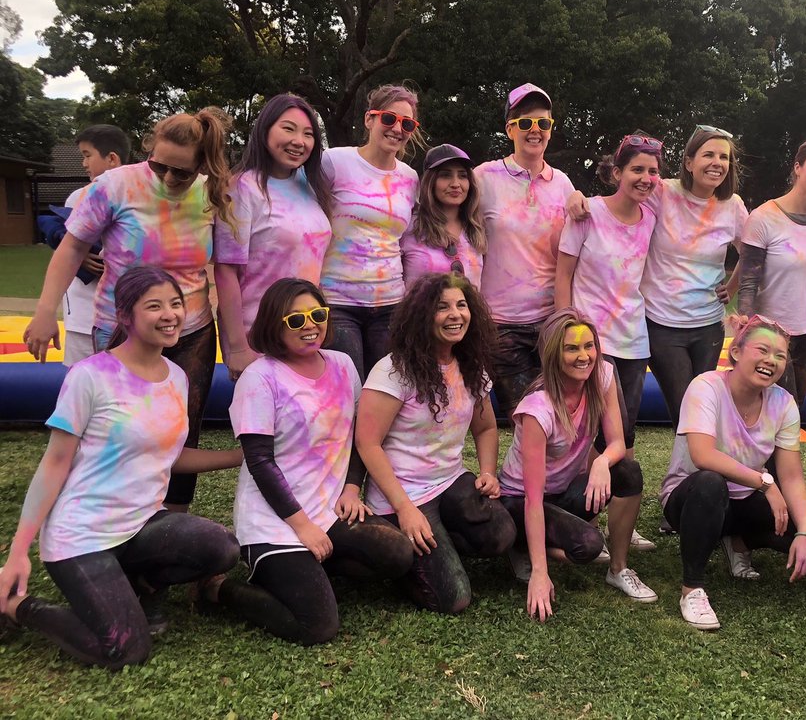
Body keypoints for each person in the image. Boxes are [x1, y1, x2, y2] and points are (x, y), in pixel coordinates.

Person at [0, 267, 240, 668]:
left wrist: (239, 458)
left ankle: (138, 582)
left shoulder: (177, 378)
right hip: (82, 535)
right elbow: (54, 464)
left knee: (222, 548)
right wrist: (19, 551)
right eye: (154, 306)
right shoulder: (90, 376)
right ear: (125, 316)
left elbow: (171, 456)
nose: (170, 314)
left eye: (176, 304)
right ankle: (17, 606)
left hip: (140, 525)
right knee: (127, 649)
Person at [25, 107, 234, 512]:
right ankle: (114, 518)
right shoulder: (114, 186)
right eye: (160, 165)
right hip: (122, 331)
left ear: (202, 166)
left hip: (190, 331)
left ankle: (173, 525)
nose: (169, 179)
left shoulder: (212, 193)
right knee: (118, 429)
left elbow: (226, 267)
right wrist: (45, 309)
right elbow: (72, 248)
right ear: (148, 150)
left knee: (183, 432)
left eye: (182, 172)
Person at [198, 278, 413, 643]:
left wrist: (351, 487)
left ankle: (310, 570)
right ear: (273, 324)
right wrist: (303, 527)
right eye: (295, 320)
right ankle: (220, 591)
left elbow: (359, 436)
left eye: (317, 314)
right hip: (275, 522)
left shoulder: (342, 365)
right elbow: (260, 462)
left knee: (398, 555)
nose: (310, 325)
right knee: (317, 626)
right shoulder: (259, 378)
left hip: (329, 510)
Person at [355, 273, 516, 614]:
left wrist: (487, 471)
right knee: (454, 599)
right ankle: (409, 560)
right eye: (442, 307)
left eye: (461, 305)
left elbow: (486, 429)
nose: (455, 315)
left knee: (501, 534)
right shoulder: (394, 371)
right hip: (404, 495)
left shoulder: (471, 368)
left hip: (448, 481)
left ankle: (439, 543)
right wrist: (404, 509)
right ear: (422, 316)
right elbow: (367, 443)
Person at [498, 309, 656, 621]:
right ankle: (522, 547)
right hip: (519, 501)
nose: (584, 356)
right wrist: (540, 575)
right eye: (571, 348)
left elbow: (617, 444)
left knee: (627, 472)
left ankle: (620, 569)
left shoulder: (603, 375)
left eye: (589, 346)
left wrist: (600, 465)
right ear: (552, 354)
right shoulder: (537, 408)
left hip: (563, 493)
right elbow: (532, 498)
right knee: (588, 545)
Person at [660, 316, 806, 630]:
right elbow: (703, 456)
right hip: (691, 498)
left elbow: (793, 476)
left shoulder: (784, 403)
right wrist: (765, 484)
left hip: (743, 500)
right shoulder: (706, 386)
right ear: (735, 352)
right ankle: (692, 588)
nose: (771, 360)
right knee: (710, 484)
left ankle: (738, 540)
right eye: (762, 350)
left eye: (780, 355)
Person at [214, 93, 334, 381]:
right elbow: (226, 270)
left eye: (308, 134)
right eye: (288, 128)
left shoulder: (311, 186)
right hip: (259, 333)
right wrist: (238, 347)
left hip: (305, 329)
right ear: (265, 130)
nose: (299, 141)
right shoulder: (241, 188)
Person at [475, 84, 576, 421]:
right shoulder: (483, 178)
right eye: (525, 123)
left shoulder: (563, 184)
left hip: (551, 322)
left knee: (558, 416)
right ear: (510, 129)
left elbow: (577, 250)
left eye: (543, 124)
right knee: (528, 418)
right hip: (501, 324)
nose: (535, 130)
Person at [556, 132, 660, 449]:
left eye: (653, 171)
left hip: (633, 341)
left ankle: (619, 494)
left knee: (623, 429)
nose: (645, 178)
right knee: (583, 427)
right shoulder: (588, 213)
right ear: (617, 173)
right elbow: (563, 275)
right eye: (637, 170)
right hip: (589, 339)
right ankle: (577, 494)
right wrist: (565, 330)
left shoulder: (651, 219)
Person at [641, 125, 748, 429]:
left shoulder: (733, 206)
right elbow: (622, 204)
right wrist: (579, 197)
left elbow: (752, 252)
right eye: (709, 155)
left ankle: (698, 475)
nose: (717, 163)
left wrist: (733, 285)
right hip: (662, 323)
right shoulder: (662, 192)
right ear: (689, 161)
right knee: (685, 408)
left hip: (708, 326)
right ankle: (690, 475)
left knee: (703, 409)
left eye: (724, 157)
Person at [321, 84, 423, 380]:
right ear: (370, 119)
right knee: (347, 392)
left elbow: (407, 241)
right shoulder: (335, 162)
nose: (397, 129)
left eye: (407, 123)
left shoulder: (410, 178)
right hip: (338, 299)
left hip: (391, 303)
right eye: (389, 119)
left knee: (385, 391)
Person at [738, 136, 806, 409]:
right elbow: (748, 282)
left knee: (792, 412)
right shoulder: (764, 217)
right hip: (771, 335)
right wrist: (750, 333)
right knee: (774, 409)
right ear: (798, 167)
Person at [36, 125, 130, 366]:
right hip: (83, 316)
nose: (83, 163)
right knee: (81, 389)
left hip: (118, 317)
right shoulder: (78, 196)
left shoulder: (138, 198)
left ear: (112, 159)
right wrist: (80, 256)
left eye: (87, 155)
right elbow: (67, 242)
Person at [401, 145, 486, 288]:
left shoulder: (476, 229)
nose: (455, 184)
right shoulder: (410, 226)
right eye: (445, 175)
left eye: (462, 176)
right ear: (431, 181)